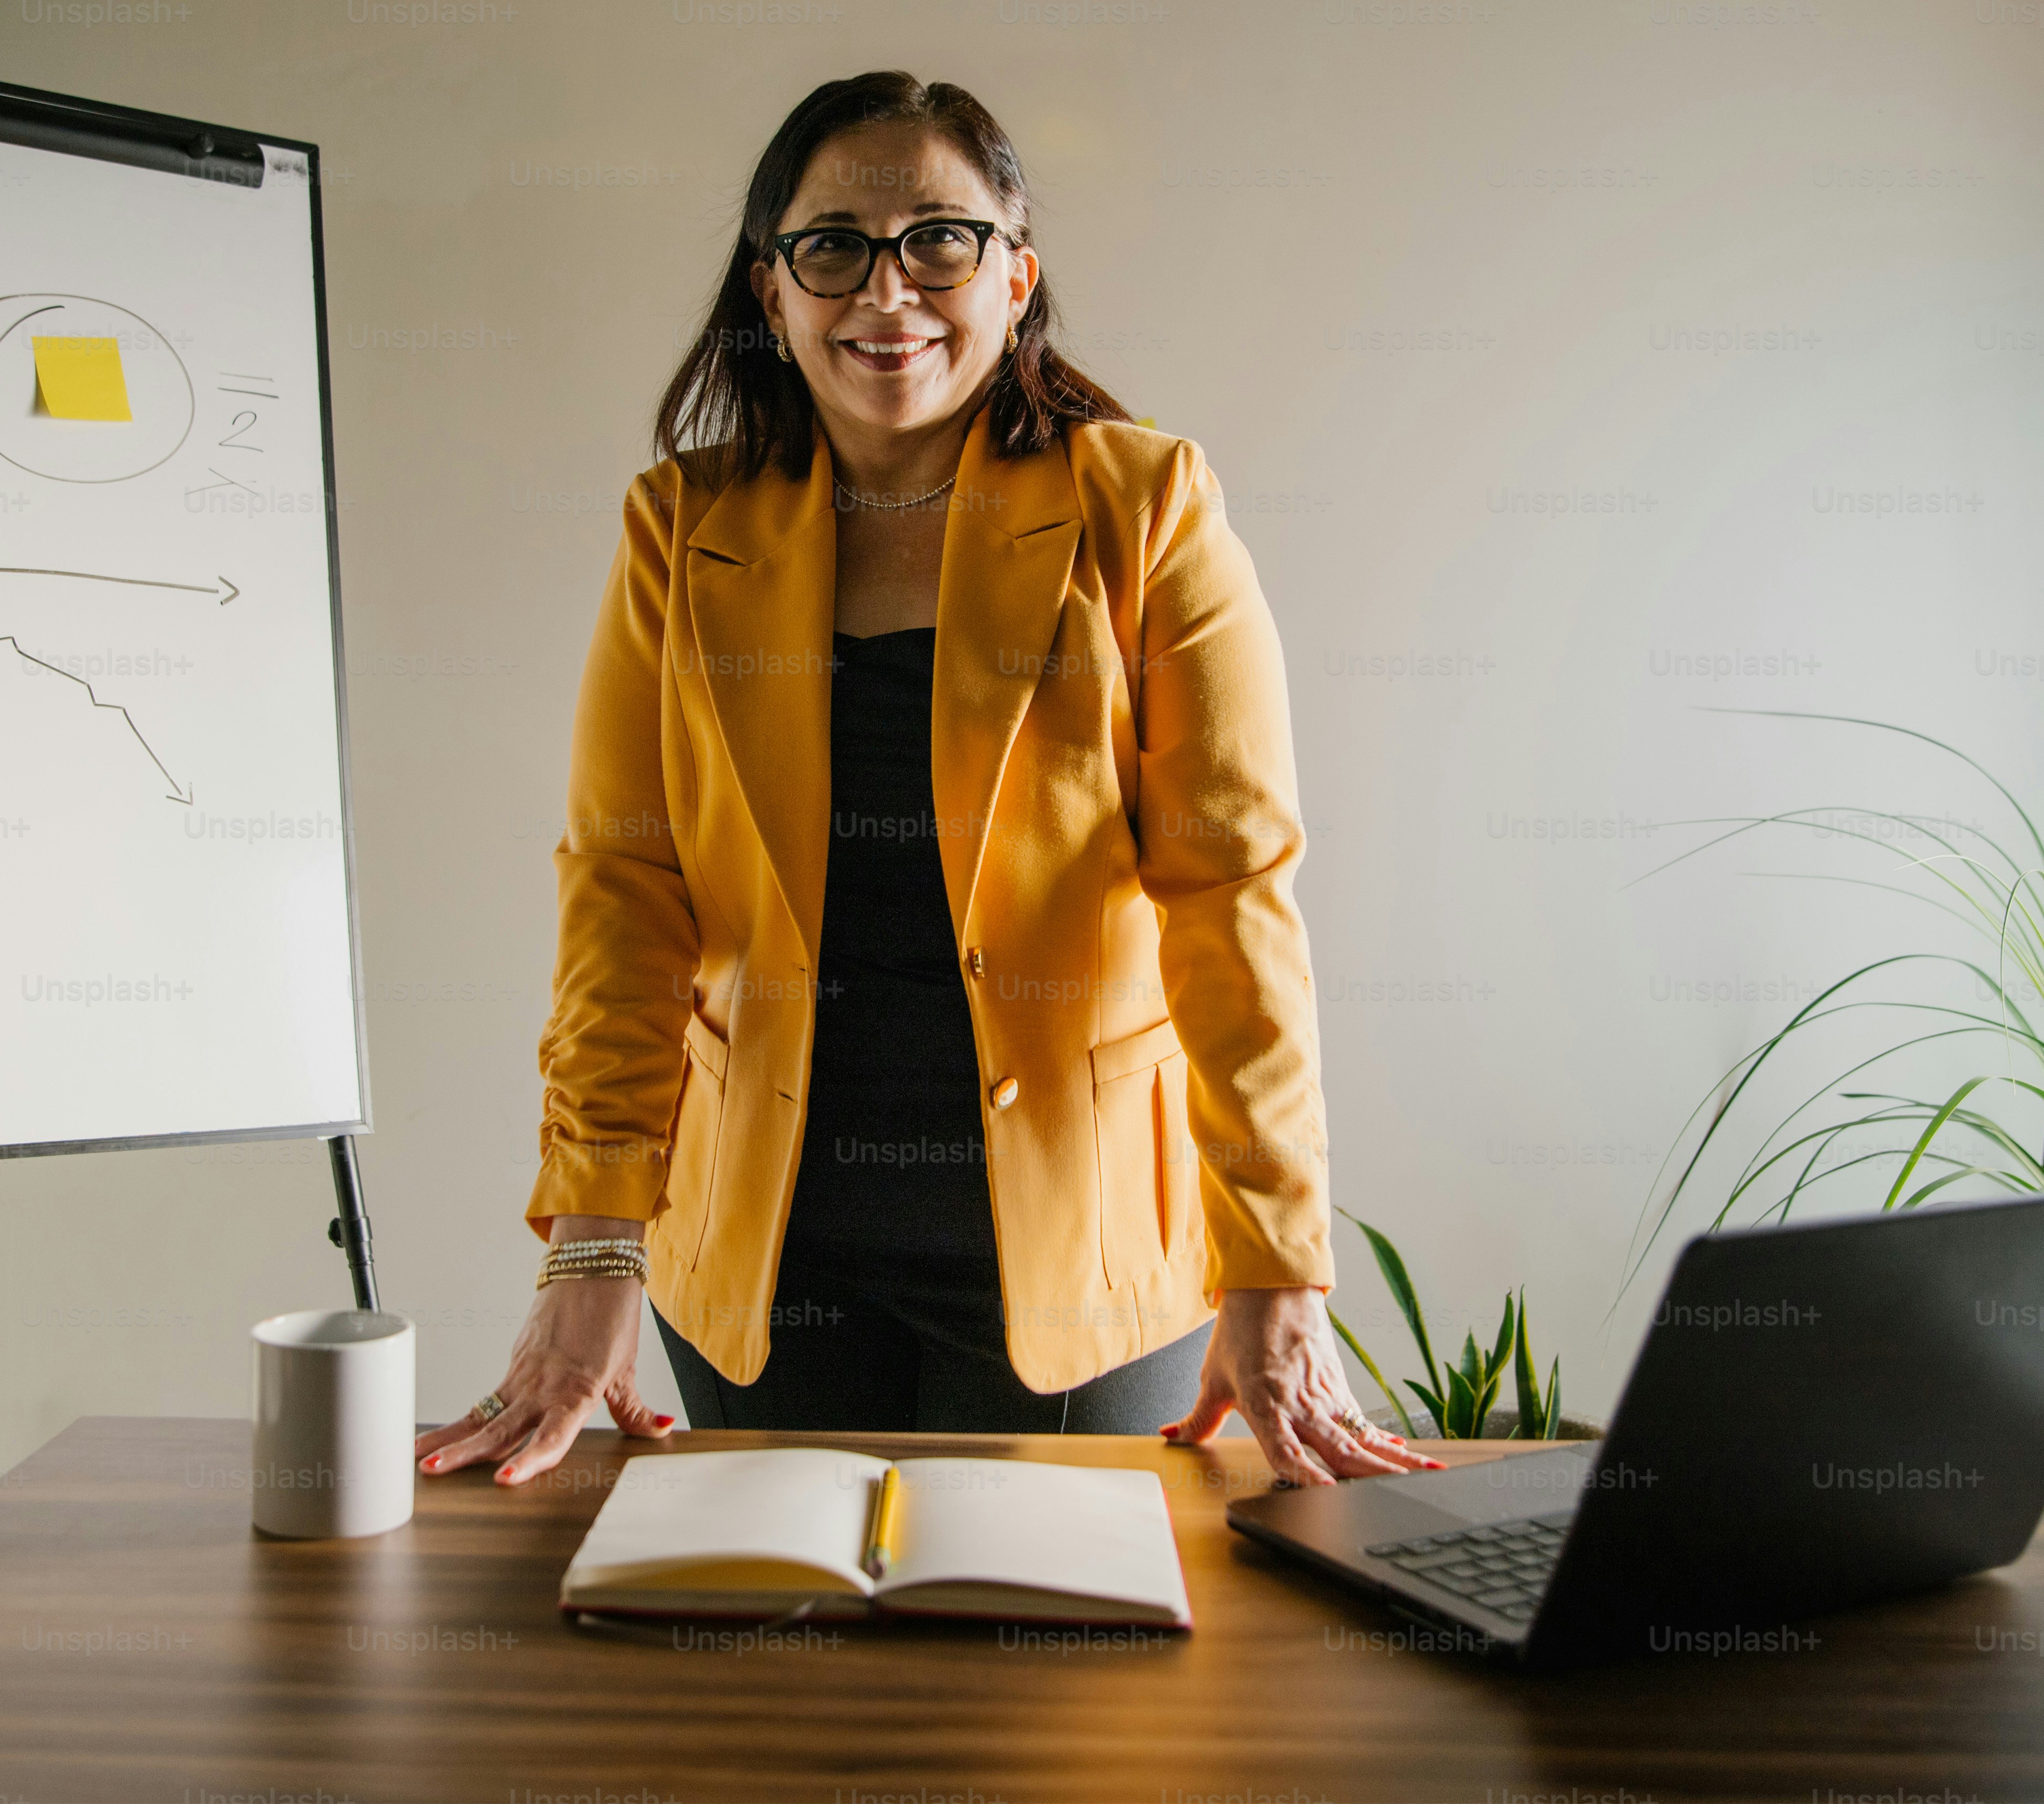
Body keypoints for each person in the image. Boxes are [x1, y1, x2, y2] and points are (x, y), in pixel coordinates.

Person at [419, 71, 1437, 1490]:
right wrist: (596, 1242)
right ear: (772, 295)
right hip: (765, 1267)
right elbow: (626, 898)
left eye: (938, 240)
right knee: (776, 1676)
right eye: (831, 245)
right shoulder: (680, 529)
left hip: (1072, 1266)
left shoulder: (1143, 509)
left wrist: (1277, 1263)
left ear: (1016, 275)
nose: (885, 291)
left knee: (1065, 1689)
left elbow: (1232, 900)